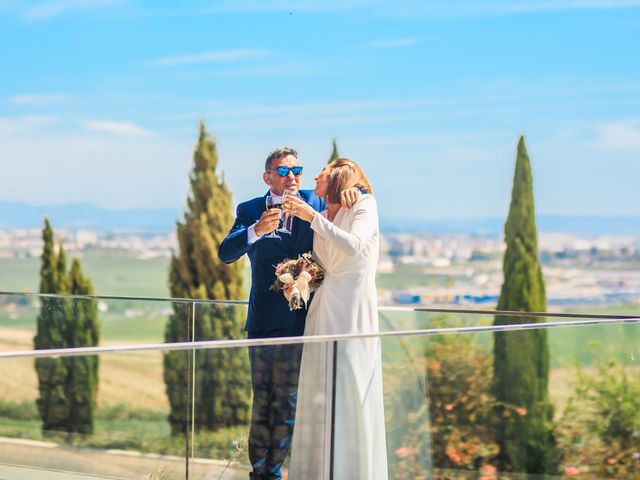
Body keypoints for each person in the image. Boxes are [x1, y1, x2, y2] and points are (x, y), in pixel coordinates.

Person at [218, 147, 359, 480]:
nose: (292, 177)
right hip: (264, 322)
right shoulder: (250, 209)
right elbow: (225, 253)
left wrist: (357, 189)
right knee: (262, 400)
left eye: (296, 171)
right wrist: (255, 231)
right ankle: (259, 473)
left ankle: (276, 472)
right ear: (268, 177)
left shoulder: (318, 201)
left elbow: (353, 192)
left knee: (288, 401)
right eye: (283, 171)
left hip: (303, 321)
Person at [283, 158, 388, 480]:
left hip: (351, 305)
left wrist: (313, 217)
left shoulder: (364, 205)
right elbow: (323, 260)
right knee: (318, 386)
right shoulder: (330, 209)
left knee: (350, 382)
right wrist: (298, 277)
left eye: (323, 172)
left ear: (338, 177)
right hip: (324, 304)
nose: (315, 175)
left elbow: (354, 245)